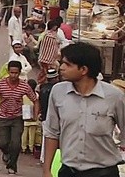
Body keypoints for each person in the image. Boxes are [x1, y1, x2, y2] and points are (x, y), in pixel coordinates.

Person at [43, 43, 125, 177]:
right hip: (69, 172)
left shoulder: (114, 97)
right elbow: (52, 132)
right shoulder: (58, 92)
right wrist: (47, 170)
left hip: (104, 172)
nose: (61, 68)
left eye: (67, 64)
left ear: (84, 69)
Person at [0, 60, 38, 175]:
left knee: (16, 144)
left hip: (17, 118)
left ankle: (12, 166)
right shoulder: (0, 84)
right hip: (3, 117)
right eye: (12, 72)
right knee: (2, 143)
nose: (14, 75)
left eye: (16, 73)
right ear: (8, 72)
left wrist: (35, 115)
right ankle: (7, 154)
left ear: (19, 73)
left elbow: (35, 100)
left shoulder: (24, 86)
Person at [38, 69, 59, 162]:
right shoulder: (56, 89)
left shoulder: (42, 88)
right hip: (54, 117)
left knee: (45, 137)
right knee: (51, 138)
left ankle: (43, 158)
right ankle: (46, 158)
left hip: (44, 116)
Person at [21, 79, 39, 155]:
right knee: (32, 135)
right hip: (34, 117)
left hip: (25, 116)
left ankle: (23, 148)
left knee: (24, 134)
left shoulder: (24, 95)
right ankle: (31, 148)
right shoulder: (37, 95)